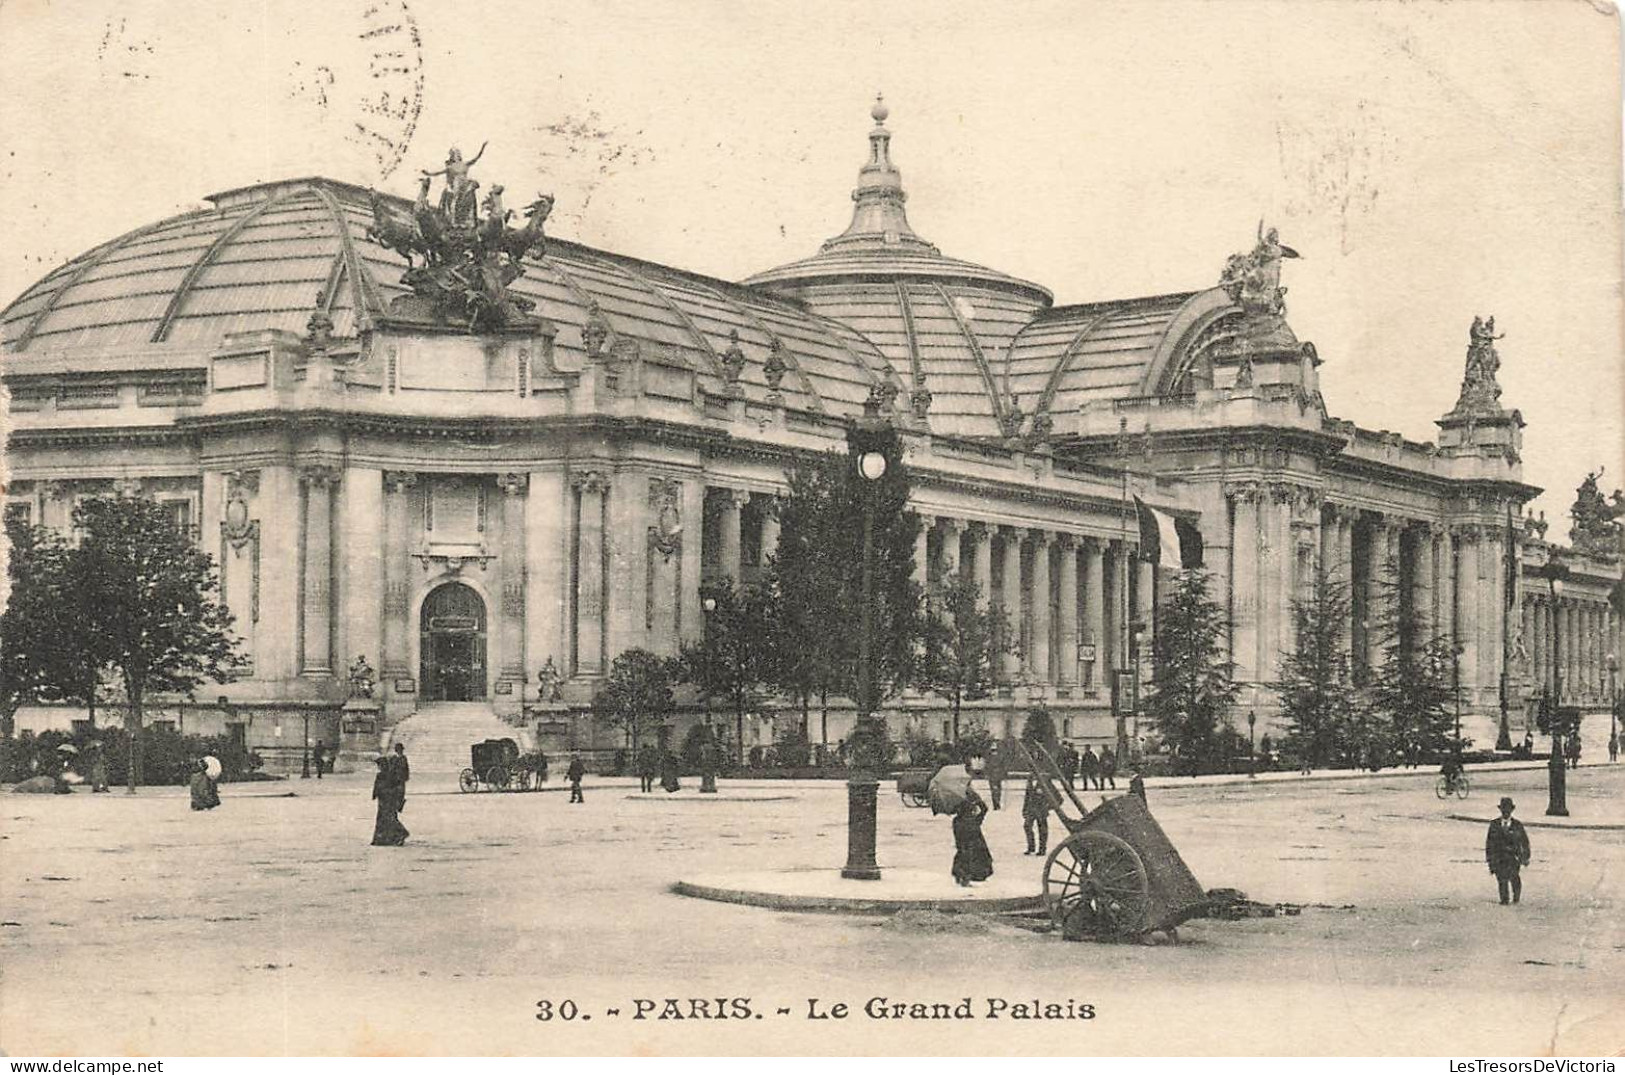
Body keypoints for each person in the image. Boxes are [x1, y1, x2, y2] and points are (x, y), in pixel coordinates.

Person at [950, 764, 993, 887]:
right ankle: (967, 875)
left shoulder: (955, 794)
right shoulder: (971, 794)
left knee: (962, 849)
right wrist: (978, 820)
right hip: (970, 824)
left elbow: (951, 809)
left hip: (958, 824)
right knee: (973, 851)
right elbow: (984, 808)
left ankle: (960, 874)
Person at [1484, 796, 1531, 905]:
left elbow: (1524, 842)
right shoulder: (1494, 825)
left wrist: (1525, 857)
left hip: (1513, 858)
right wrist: (1490, 860)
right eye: (1503, 809)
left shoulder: (1517, 825)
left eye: (1508, 809)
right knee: (1501, 879)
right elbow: (1489, 843)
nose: (1506, 812)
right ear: (1500, 810)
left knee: (1514, 877)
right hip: (1499, 858)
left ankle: (1516, 896)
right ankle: (1504, 899)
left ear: (1512, 810)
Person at [370, 756, 409, 846]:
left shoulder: (384, 775)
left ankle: (401, 833)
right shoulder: (390, 775)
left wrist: (375, 794)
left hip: (386, 800)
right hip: (387, 800)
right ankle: (385, 839)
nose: (379, 767)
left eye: (379, 765)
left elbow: (378, 787)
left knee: (386, 818)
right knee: (386, 818)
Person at [1021, 775, 1051, 857]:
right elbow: (1027, 796)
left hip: (1041, 810)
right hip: (1031, 809)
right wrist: (1024, 809)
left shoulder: (1045, 781)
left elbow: (1057, 798)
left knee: (1042, 830)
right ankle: (1031, 847)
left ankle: (1042, 849)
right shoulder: (1030, 780)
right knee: (1027, 826)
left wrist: (1047, 806)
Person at [984, 741, 1006, 810]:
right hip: (994, 775)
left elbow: (1003, 766)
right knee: (996, 790)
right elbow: (987, 766)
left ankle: (996, 803)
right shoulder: (990, 756)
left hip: (995, 775)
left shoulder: (991, 756)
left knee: (995, 790)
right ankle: (996, 803)